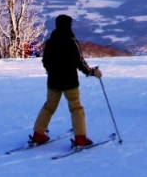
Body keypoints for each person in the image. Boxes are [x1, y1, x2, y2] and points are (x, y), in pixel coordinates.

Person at [31, 14, 102, 148]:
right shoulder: (71, 41)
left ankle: (38, 134)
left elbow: (45, 61)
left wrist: (51, 71)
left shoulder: (50, 42)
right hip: (70, 82)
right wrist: (91, 72)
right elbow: (79, 63)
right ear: (68, 26)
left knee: (49, 107)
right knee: (76, 107)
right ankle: (80, 138)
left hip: (53, 81)